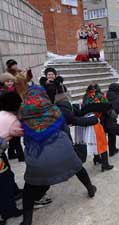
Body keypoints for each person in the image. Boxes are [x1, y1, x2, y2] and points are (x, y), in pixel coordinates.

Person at [18, 85, 97, 225]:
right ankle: (90, 189)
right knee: (78, 167)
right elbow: (65, 130)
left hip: (37, 158)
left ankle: (27, 221)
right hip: (63, 150)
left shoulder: (22, 116)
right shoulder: (55, 110)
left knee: (29, 190)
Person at [0, 92, 23, 225]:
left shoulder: (2, 113)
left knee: (7, 174)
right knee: (4, 181)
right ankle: (8, 211)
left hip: (1, 153)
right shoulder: (13, 121)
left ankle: (12, 197)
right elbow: (26, 131)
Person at [82, 84, 114, 171]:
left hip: (88, 122)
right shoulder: (99, 96)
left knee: (94, 141)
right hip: (97, 122)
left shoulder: (85, 97)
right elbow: (107, 106)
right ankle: (105, 164)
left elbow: (83, 108)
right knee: (102, 143)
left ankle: (96, 158)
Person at [0, 72, 24, 161]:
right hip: (8, 116)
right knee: (15, 136)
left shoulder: (15, 90)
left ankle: (11, 153)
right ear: (3, 83)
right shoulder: (2, 92)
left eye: (11, 81)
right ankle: (21, 156)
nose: (9, 83)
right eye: (7, 81)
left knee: (13, 137)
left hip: (16, 113)